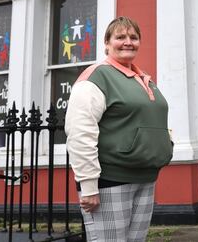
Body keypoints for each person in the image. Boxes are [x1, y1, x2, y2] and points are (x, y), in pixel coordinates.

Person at [65, 16, 173, 241]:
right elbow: (80, 133)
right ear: (106, 43)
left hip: (146, 177)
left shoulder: (143, 79)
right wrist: (89, 185)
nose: (128, 42)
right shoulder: (96, 77)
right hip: (110, 180)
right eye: (120, 37)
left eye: (133, 37)